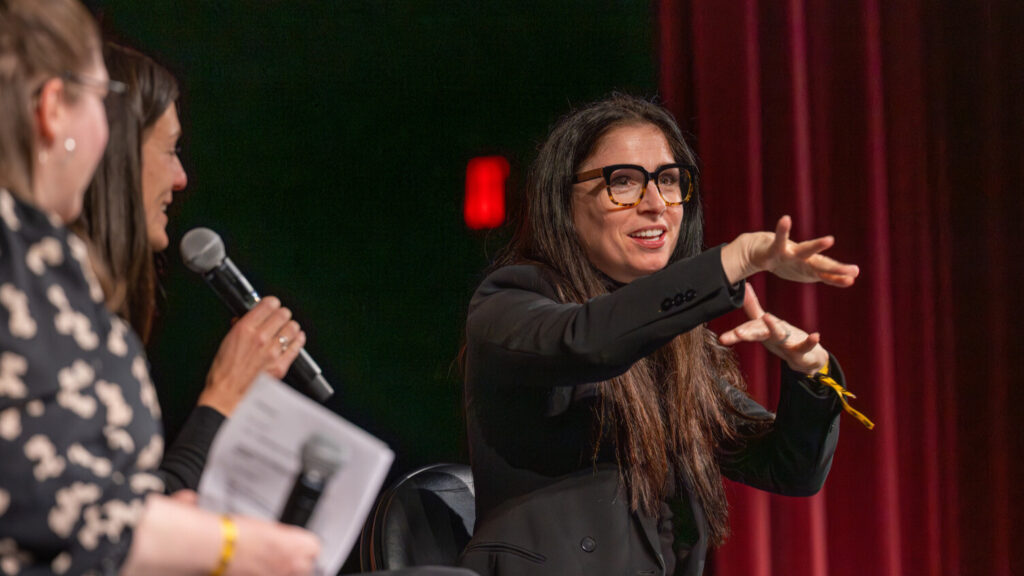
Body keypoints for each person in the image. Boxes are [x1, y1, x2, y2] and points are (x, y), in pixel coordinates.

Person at [458, 94, 866, 576]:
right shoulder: (509, 301)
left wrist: (811, 372)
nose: (655, 204)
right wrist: (736, 259)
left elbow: (789, 469)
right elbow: (586, 341)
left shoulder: (672, 343)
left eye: (669, 181)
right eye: (623, 182)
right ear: (562, 201)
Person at [0, 0, 319, 573]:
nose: (182, 178)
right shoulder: (17, 261)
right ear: (53, 108)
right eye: (100, 100)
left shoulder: (43, 261)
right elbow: (57, 509)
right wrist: (230, 545)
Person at [74, 42, 306, 494]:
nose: (180, 177)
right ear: (115, 157)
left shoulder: (92, 310)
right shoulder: (55, 316)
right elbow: (118, 525)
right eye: (169, 150)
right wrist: (226, 392)